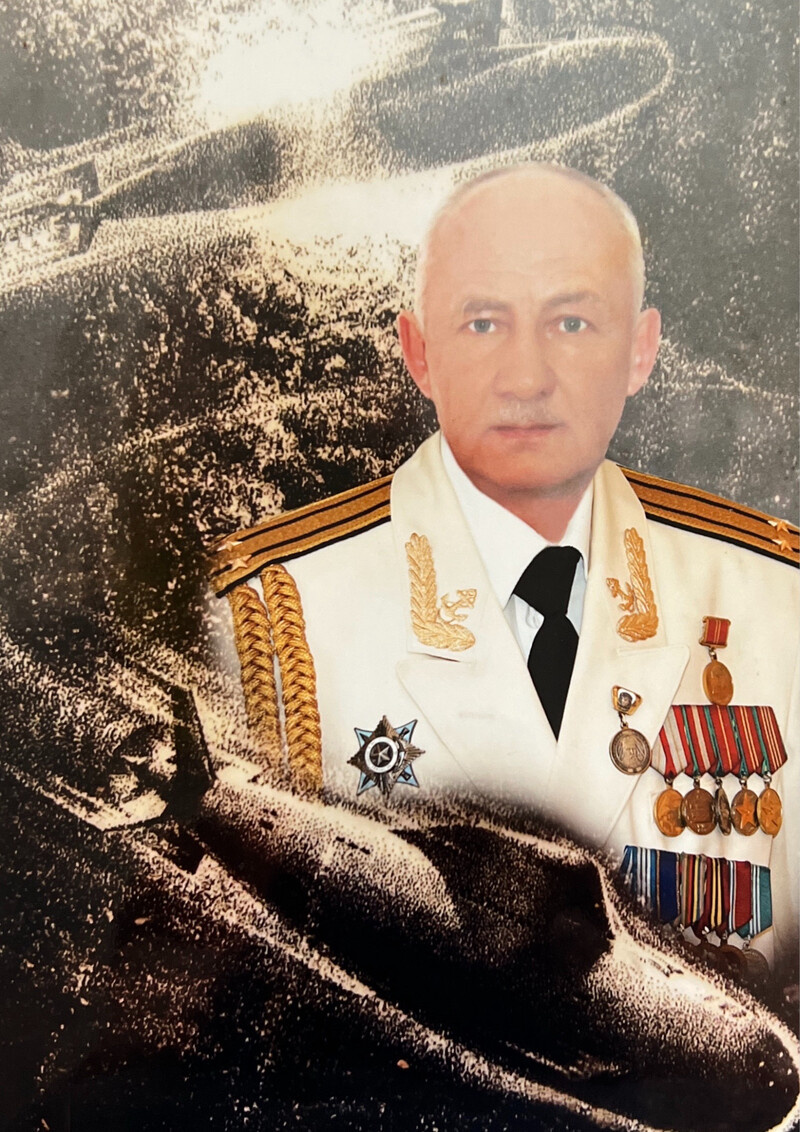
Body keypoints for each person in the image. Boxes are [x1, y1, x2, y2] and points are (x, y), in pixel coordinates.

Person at [209, 164, 799, 978]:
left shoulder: (773, 599)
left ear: (640, 351)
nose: (527, 379)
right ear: (418, 352)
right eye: (483, 323)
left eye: (572, 323)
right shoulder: (278, 616)